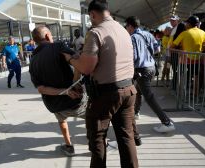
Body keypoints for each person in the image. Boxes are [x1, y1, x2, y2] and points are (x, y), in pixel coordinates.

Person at [65, 1, 138, 167]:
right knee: (127, 138)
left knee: (97, 139)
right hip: (129, 90)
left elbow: (86, 67)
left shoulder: (95, 32)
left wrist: (70, 59)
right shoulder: (123, 30)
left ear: (92, 14)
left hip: (105, 95)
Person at [29, 26, 86, 157]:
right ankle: (99, 143)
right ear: (48, 36)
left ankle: (69, 146)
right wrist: (74, 84)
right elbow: (77, 60)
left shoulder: (32, 62)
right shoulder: (57, 47)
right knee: (92, 118)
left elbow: (41, 89)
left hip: (54, 105)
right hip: (76, 101)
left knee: (62, 121)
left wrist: (64, 92)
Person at [125, 16, 176, 133]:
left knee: (149, 98)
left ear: (130, 26)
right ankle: (136, 112)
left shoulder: (132, 38)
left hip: (141, 70)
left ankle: (166, 122)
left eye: (126, 26)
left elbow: (134, 57)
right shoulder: (147, 34)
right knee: (137, 90)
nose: (126, 29)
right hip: (151, 68)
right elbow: (157, 49)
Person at [171, 16, 205, 96]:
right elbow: (204, 45)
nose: (185, 24)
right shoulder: (203, 33)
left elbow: (172, 46)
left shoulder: (184, 33)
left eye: (186, 23)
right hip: (198, 58)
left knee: (182, 75)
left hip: (185, 59)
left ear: (189, 23)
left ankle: (181, 93)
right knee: (196, 76)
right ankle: (196, 93)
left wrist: (181, 47)